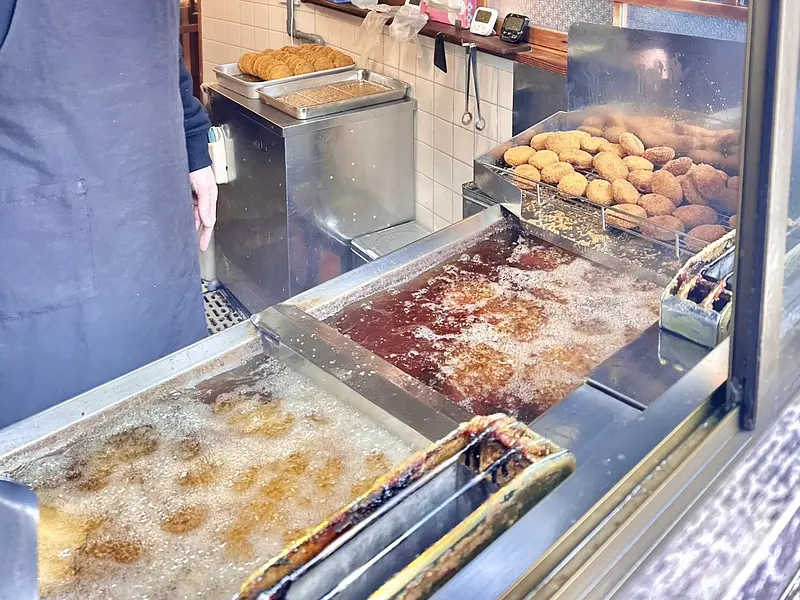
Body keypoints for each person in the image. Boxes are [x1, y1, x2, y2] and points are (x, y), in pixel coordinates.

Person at [0, 0, 218, 428]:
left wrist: (195, 148)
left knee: (176, 421)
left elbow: (166, 55)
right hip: (47, 251)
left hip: (158, 224)